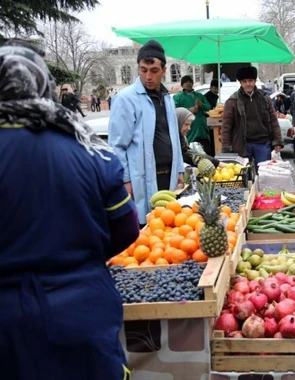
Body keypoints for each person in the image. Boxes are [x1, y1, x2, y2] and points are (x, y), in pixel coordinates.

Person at [0, 43, 139, 379]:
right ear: (44, 84)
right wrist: (82, 258)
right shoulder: (88, 150)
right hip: (82, 313)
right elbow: (127, 228)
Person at [108, 40, 185, 226]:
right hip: (140, 179)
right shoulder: (125, 99)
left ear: (164, 70)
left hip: (168, 176)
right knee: (146, 230)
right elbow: (117, 145)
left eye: (154, 71)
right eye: (143, 70)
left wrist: (180, 168)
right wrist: (125, 180)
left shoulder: (168, 99)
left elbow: (174, 135)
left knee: (168, 229)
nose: (148, 76)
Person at [220, 66, 284, 166]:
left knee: (264, 173)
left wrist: (277, 141)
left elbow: (273, 121)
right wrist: (226, 147)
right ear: (240, 83)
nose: (248, 84)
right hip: (242, 144)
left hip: (263, 143)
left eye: (250, 81)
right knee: (245, 176)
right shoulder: (232, 101)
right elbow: (226, 126)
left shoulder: (264, 98)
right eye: (244, 81)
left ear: (254, 81)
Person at [173, 75, 213, 155]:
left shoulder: (199, 96)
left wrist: (201, 105)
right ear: (182, 85)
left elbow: (209, 107)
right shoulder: (177, 97)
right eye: (186, 82)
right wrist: (188, 110)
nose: (188, 84)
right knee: (192, 153)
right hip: (189, 131)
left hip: (202, 130)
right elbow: (174, 111)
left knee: (206, 153)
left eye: (190, 82)